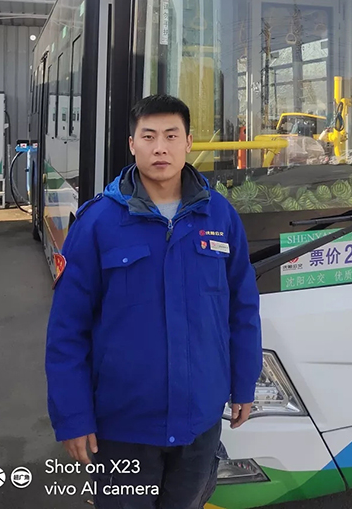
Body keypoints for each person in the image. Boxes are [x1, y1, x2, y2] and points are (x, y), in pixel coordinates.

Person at [45, 94, 262, 508]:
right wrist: (72, 415)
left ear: (189, 142)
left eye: (171, 136)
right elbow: (67, 328)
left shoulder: (219, 217)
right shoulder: (98, 223)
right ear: (132, 144)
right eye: (148, 136)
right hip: (123, 427)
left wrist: (243, 383)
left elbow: (242, 309)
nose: (160, 147)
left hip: (199, 423)